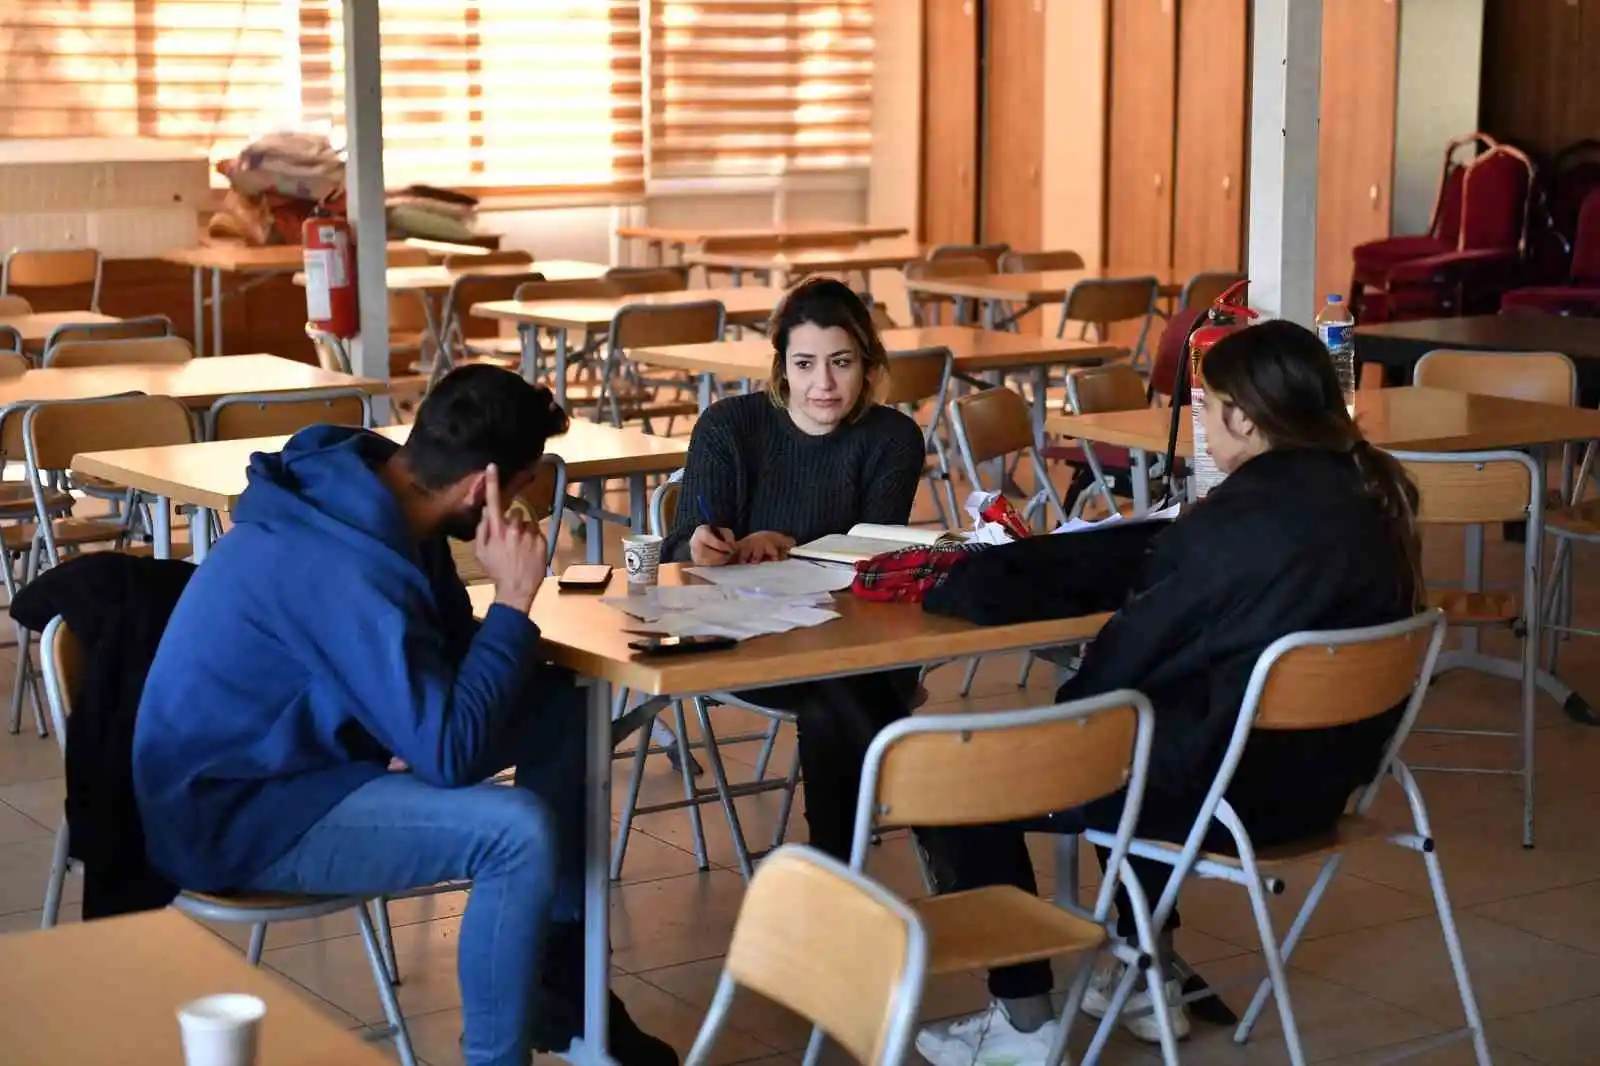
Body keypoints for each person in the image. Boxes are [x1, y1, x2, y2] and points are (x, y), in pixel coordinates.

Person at [133, 366, 676, 1066]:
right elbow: (449, 749)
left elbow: (450, 676)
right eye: (522, 491)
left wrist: (421, 720)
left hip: (314, 761)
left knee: (559, 707)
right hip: (238, 809)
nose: (526, 513)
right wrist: (512, 600)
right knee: (516, 833)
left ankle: (559, 978)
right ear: (483, 489)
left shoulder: (383, 501)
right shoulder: (339, 558)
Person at [914, 320, 1423, 1066]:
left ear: (1243, 418)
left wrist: (1064, 710)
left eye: (1211, 408)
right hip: (1325, 783)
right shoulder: (1378, 501)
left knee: (955, 782)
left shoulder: (1227, 524)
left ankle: (1023, 1023)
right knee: (1164, 722)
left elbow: (1109, 686)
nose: (1208, 426)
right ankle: (1139, 965)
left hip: (1225, 795)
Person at [660, 276, 928, 858]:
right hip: (752, 639)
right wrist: (704, 545)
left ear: (868, 364)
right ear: (782, 368)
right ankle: (935, 821)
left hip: (854, 642)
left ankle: (836, 868)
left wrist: (789, 545)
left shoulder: (892, 438)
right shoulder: (730, 426)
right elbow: (679, 547)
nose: (824, 384)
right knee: (839, 683)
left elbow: (869, 558)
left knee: (836, 681)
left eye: (842, 363)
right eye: (805, 364)